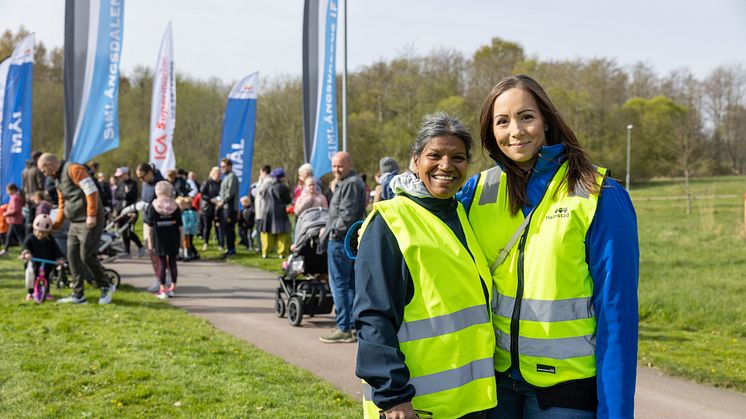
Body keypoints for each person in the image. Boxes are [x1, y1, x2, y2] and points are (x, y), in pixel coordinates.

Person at [457, 75, 639, 419]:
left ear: (546, 120)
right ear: (490, 131)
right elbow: (428, 225)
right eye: (502, 121)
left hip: (566, 393)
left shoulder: (599, 194)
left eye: (526, 117)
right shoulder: (477, 191)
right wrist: (381, 222)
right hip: (494, 387)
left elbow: (617, 315)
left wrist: (616, 414)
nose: (515, 131)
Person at [354, 113, 497, 418]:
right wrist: (393, 398)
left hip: (468, 404)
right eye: (435, 155)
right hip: (413, 407)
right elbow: (373, 317)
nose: (446, 166)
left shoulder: (459, 214)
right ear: (415, 160)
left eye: (457, 157)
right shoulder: (389, 222)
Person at [37, 153, 114, 305]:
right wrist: (56, 226)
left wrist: (91, 215)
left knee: (86, 255)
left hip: (89, 220)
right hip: (74, 222)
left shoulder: (74, 169)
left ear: (49, 165)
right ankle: (78, 295)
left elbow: (91, 191)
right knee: (72, 256)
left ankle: (106, 286)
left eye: (44, 171)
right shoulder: (57, 179)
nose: (44, 174)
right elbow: (62, 204)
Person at [319, 151, 367, 343]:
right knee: (350, 285)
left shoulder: (351, 184)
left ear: (349, 164)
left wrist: (331, 232)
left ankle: (344, 327)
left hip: (341, 241)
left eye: (340, 165)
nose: (336, 170)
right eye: (333, 166)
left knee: (340, 285)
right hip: (347, 241)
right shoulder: (348, 182)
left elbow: (345, 216)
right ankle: (352, 326)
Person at [143, 181, 182, 299]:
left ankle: (162, 288)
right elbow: (180, 226)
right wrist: (182, 241)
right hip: (173, 237)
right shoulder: (175, 206)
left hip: (159, 238)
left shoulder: (153, 206)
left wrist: (149, 242)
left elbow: (149, 227)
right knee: (173, 263)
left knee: (162, 264)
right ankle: (173, 287)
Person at [20, 214, 65, 301]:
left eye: (44, 233)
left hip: (47, 262)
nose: (41, 234)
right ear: (34, 230)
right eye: (38, 231)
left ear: (48, 232)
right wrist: (26, 253)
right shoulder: (31, 238)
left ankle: (46, 292)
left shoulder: (50, 240)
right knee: (32, 277)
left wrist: (59, 259)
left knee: (46, 277)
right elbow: (26, 246)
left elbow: (56, 250)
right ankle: (30, 292)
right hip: (34, 262)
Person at [259, 168, 292, 258]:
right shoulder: (282, 187)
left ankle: (265, 252)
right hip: (280, 211)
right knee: (281, 232)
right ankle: (281, 253)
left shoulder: (266, 185)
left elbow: (261, 194)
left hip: (267, 211)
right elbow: (288, 200)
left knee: (267, 232)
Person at [114, 167, 144, 257]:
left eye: (121, 175)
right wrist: (124, 194)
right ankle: (127, 251)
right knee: (123, 231)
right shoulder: (120, 183)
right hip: (121, 211)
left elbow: (130, 195)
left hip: (131, 211)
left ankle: (140, 246)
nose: (120, 177)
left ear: (126, 174)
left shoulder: (133, 184)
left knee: (128, 230)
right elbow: (116, 195)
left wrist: (124, 194)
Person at [217, 158, 239, 257]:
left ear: (229, 166)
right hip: (224, 207)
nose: (222, 169)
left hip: (229, 207)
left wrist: (222, 201)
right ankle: (228, 248)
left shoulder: (232, 177)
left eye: (224, 166)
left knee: (229, 229)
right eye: (221, 166)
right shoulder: (226, 177)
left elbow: (230, 192)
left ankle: (231, 249)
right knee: (225, 228)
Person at [0, 183, 26, 256]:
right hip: (13, 220)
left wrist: (6, 214)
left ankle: (25, 250)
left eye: (8, 190)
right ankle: (5, 249)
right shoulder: (14, 197)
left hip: (15, 221)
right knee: (9, 235)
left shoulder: (15, 198)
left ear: (12, 190)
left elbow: (15, 210)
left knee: (20, 237)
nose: (7, 192)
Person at [199, 167, 221, 250]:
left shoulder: (221, 183)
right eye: (216, 173)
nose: (218, 175)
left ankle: (220, 244)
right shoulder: (207, 182)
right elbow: (202, 194)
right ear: (212, 174)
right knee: (207, 227)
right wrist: (211, 200)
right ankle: (206, 243)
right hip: (207, 208)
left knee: (218, 227)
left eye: (219, 174)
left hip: (217, 208)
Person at [252, 165, 272, 253]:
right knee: (259, 229)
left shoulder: (268, 181)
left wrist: (260, 181)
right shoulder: (265, 181)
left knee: (261, 229)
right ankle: (260, 246)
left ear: (263, 172)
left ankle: (262, 247)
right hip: (259, 209)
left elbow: (258, 192)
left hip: (263, 209)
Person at [177, 196, 200, 261]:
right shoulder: (181, 212)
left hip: (188, 230)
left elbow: (193, 221)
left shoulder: (190, 212)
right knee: (184, 243)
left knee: (188, 243)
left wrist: (188, 227)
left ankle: (189, 254)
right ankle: (184, 254)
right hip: (184, 230)